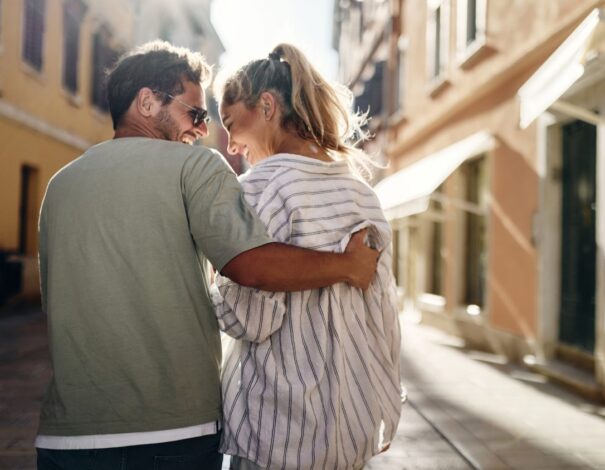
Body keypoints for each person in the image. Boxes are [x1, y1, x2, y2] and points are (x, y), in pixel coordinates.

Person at [34, 40, 379, 470]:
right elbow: (251, 266)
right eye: (195, 114)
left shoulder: (59, 186)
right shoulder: (195, 167)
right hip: (173, 431)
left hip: (67, 437)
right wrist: (348, 266)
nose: (202, 130)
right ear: (146, 102)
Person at [212, 43, 402, 470]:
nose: (232, 143)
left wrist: (213, 282)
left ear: (265, 106)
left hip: (277, 427)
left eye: (230, 123)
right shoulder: (362, 194)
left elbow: (249, 320)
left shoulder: (259, 189)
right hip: (349, 426)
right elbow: (384, 315)